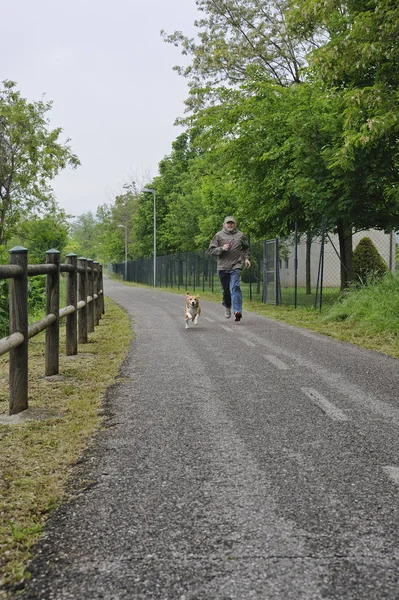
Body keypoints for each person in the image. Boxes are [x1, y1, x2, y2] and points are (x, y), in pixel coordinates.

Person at [209, 216, 251, 321]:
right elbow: (211, 250)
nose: (230, 225)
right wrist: (221, 249)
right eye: (228, 223)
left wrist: (246, 258)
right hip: (222, 267)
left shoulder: (240, 235)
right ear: (224, 225)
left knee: (235, 287)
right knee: (226, 290)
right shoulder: (218, 235)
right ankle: (227, 306)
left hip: (236, 265)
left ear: (235, 224)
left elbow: (246, 248)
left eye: (232, 223)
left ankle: (237, 311)